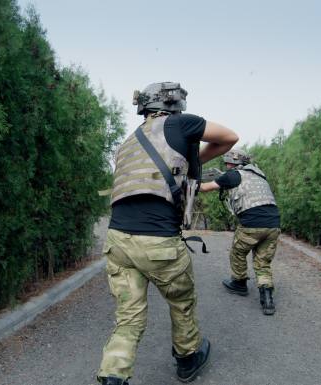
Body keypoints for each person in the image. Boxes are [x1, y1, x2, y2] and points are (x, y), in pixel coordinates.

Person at [97, 82, 238, 385]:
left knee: (128, 318)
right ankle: (187, 359)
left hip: (118, 241)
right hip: (158, 242)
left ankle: (112, 376)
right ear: (173, 104)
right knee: (181, 301)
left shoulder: (127, 144)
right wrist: (196, 160)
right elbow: (229, 137)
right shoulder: (180, 124)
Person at [198, 149, 281, 315]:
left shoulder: (233, 175)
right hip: (274, 225)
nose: (227, 165)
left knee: (237, 252)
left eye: (228, 163)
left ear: (234, 163)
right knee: (262, 262)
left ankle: (239, 283)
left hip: (252, 224)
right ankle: (267, 299)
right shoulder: (259, 175)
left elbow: (205, 187)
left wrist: (186, 183)